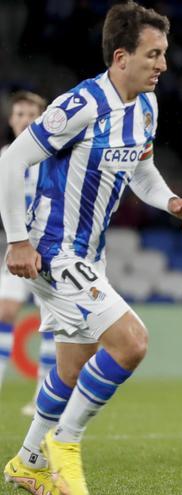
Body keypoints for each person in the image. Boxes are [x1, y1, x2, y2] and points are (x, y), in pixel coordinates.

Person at [0, 3, 182, 494]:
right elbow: (12, 161)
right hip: (53, 251)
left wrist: (169, 199)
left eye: (164, 54)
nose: (163, 65)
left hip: (89, 254)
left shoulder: (147, 106)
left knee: (70, 368)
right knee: (131, 343)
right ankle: (65, 444)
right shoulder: (80, 105)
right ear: (120, 56)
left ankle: (27, 461)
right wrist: (18, 240)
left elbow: (139, 170)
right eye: (153, 54)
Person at [0, 91, 56, 417]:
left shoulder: (51, 158)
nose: (24, 119)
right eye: (19, 114)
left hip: (46, 251)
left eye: (31, 114)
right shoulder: (5, 157)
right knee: (5, 312)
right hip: (13, 249)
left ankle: (41, 399)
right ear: (11, 120)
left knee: (50, 324)